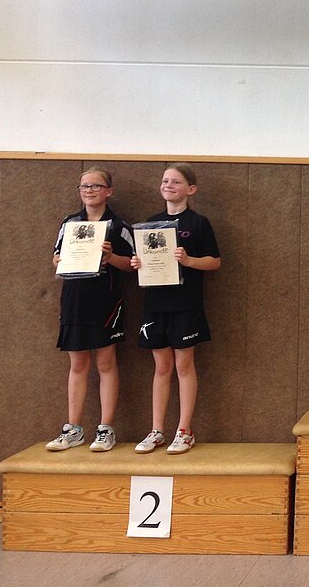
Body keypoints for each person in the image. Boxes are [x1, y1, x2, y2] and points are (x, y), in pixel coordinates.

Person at [130, 164, 221, 454]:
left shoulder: (199, 223)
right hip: (155, 304)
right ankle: (157, 430)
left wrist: (189, 260)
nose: (168, 185)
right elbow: (144, 260)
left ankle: (184, 430)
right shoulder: (150, 224)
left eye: (176, 182)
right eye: (165, 180)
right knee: (161, 367)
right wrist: (138, 263)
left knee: (183, 365)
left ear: (190, 189)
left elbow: (214, 261)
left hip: (185, 305)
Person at [46, 168, 134, 453]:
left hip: (105, 301)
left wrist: (110, 256)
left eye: (96, 186)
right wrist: (59, 259)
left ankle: (106, 428)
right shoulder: (70, 223)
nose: (89, 190)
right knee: (78, 364)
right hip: (74, 300)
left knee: (106, 363)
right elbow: (56, 258)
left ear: (108, 191)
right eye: (84, 186)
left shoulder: (118, 226)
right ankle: (73, 429)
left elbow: (132, 264)